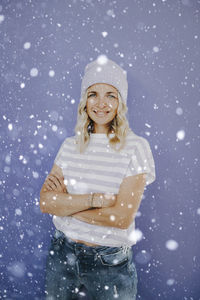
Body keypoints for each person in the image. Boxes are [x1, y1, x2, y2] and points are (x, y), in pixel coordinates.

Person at [40, 55, 156, 300]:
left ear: (120, 102)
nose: (101, 103)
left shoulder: (136, 147)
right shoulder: (69, 146)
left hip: (110, 263)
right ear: (84, 100)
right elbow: (46, 203)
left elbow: (122, 218)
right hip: (63, 253)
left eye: (110, 95)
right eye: (93, 93)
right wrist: (94, 199)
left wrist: (67, 206)